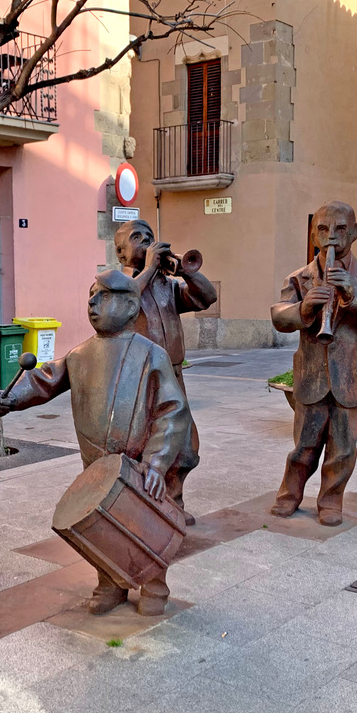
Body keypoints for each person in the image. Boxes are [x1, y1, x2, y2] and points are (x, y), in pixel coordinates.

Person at [0, 269, 190, 616]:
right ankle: (110, 583)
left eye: (103, 295)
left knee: (144, 521)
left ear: (129, 305)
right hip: (96, 463)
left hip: (141, 464)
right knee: (102, 525)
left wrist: (156, 461)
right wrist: (10, 398)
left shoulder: (151, 355)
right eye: (91, 295)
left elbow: (172, 411)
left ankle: (154, 585)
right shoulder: (80, 355)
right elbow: (43, 379)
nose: (92, 302)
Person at [269, 201, 357, 526]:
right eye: (324, 229)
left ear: (354, 233)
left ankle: (331, 501)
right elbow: (278, 316)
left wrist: (354, 295)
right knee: (303, 446)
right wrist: (303, 309)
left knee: (343, 448)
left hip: (350, 376)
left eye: (340, 229)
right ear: (314, 234)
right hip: (312, 376)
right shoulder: (299, 278)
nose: (332, 237)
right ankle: (289, 495)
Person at [114, 219, 216, 523]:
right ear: (121, 253)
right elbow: (123, 304)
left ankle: (173, 503)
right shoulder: (120, 286)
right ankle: (146, 509)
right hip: (140, 380)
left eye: (150, 236)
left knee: (184, 445)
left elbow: (207, 297)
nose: (147, 241)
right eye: (137, 238)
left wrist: (185, 270)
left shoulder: (168, 287)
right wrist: (147, 269)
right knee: (145, 444)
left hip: (173, 376)